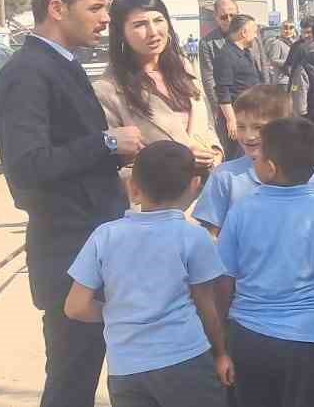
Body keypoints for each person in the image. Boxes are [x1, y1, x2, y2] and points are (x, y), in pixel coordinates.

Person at [0, 0, 141, 407]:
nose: (105, 20)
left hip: (92, 243)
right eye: (96, 8)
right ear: (56, 8)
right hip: (67, 251)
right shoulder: (27, 72)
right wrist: (107, 141)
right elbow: (26, 166)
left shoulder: (63, 65)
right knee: (72, 380)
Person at [63, 141, 231, 407]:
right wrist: (221, 354)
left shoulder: (104, 236)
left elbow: (75, 307)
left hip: (126, 369)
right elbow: (206, 305)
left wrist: (115, 312)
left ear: (133, 188)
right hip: (185, 360)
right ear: (195, 186)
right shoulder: (194, 237)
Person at [216, 117, 314, 407]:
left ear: (271, 167)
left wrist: (220, 341)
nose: (254, 157)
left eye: (260, 153)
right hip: (308, 340)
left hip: (249, 337)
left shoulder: (241, 211)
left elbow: (225, 281)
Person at [94, 0, 225, 178]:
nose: (153, 32)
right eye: (140, 24)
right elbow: (116, 163)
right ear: (121, 33)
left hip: (207, 194)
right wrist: (177, 161)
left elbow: (207, 125)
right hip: (160, 200)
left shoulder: (185, 67)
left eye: (158, 20)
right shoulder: (108, 89)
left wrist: (215, 152)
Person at [193, 86, 307, 236]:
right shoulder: (225, 176)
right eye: (241, 126)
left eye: (258, 127)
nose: (248, 136)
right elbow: (210, 233)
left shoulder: (304, 174)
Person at [212, 15, 269, 159]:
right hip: (238, 117)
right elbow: (223, 90)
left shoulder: (244, 53)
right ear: (243, 32)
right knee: (238, 157)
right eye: (254, 31)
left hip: (252, 112)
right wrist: (231, 120)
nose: (256, 36)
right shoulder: (225, 55)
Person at [199, 0, 240, 130]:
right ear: (216, 18)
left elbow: (261, 67)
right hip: (226, 105)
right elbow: (208, 78)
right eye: (223, 16)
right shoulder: (207, 43)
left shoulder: (252, 37)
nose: (228, 19)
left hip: (253, 102)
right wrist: (219, 108)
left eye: (232, 15)